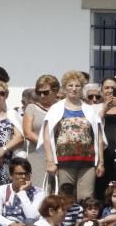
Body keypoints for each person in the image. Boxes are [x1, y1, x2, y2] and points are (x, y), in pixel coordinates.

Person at [40, 71, 104, 201]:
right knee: (65, 199)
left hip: (87, 162)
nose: (74, 89)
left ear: (82, 88)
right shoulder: (56, 109)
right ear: (64, 88)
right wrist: (50, 161)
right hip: (64, 162)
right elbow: (47, 136)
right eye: (70, 85)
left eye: (77, 86)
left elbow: (99, 137)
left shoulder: (90, 110)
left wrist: (101, 162)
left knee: (86, 198)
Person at [22, 75, 58, 188]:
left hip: (59, 155)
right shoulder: (31, 108)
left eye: (46, 92)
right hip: (37, 155)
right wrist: (48, 146)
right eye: (39, 92)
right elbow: (27, 133)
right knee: (38, 189)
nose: (42, 95)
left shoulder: (61, 107)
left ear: (55, 90)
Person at [0, 78, 23, 188]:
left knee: (4, 196)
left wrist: (3, 150)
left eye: (2, 93)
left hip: (4, 163)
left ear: (6, 96)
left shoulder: (11, 115)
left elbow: (19, 137)